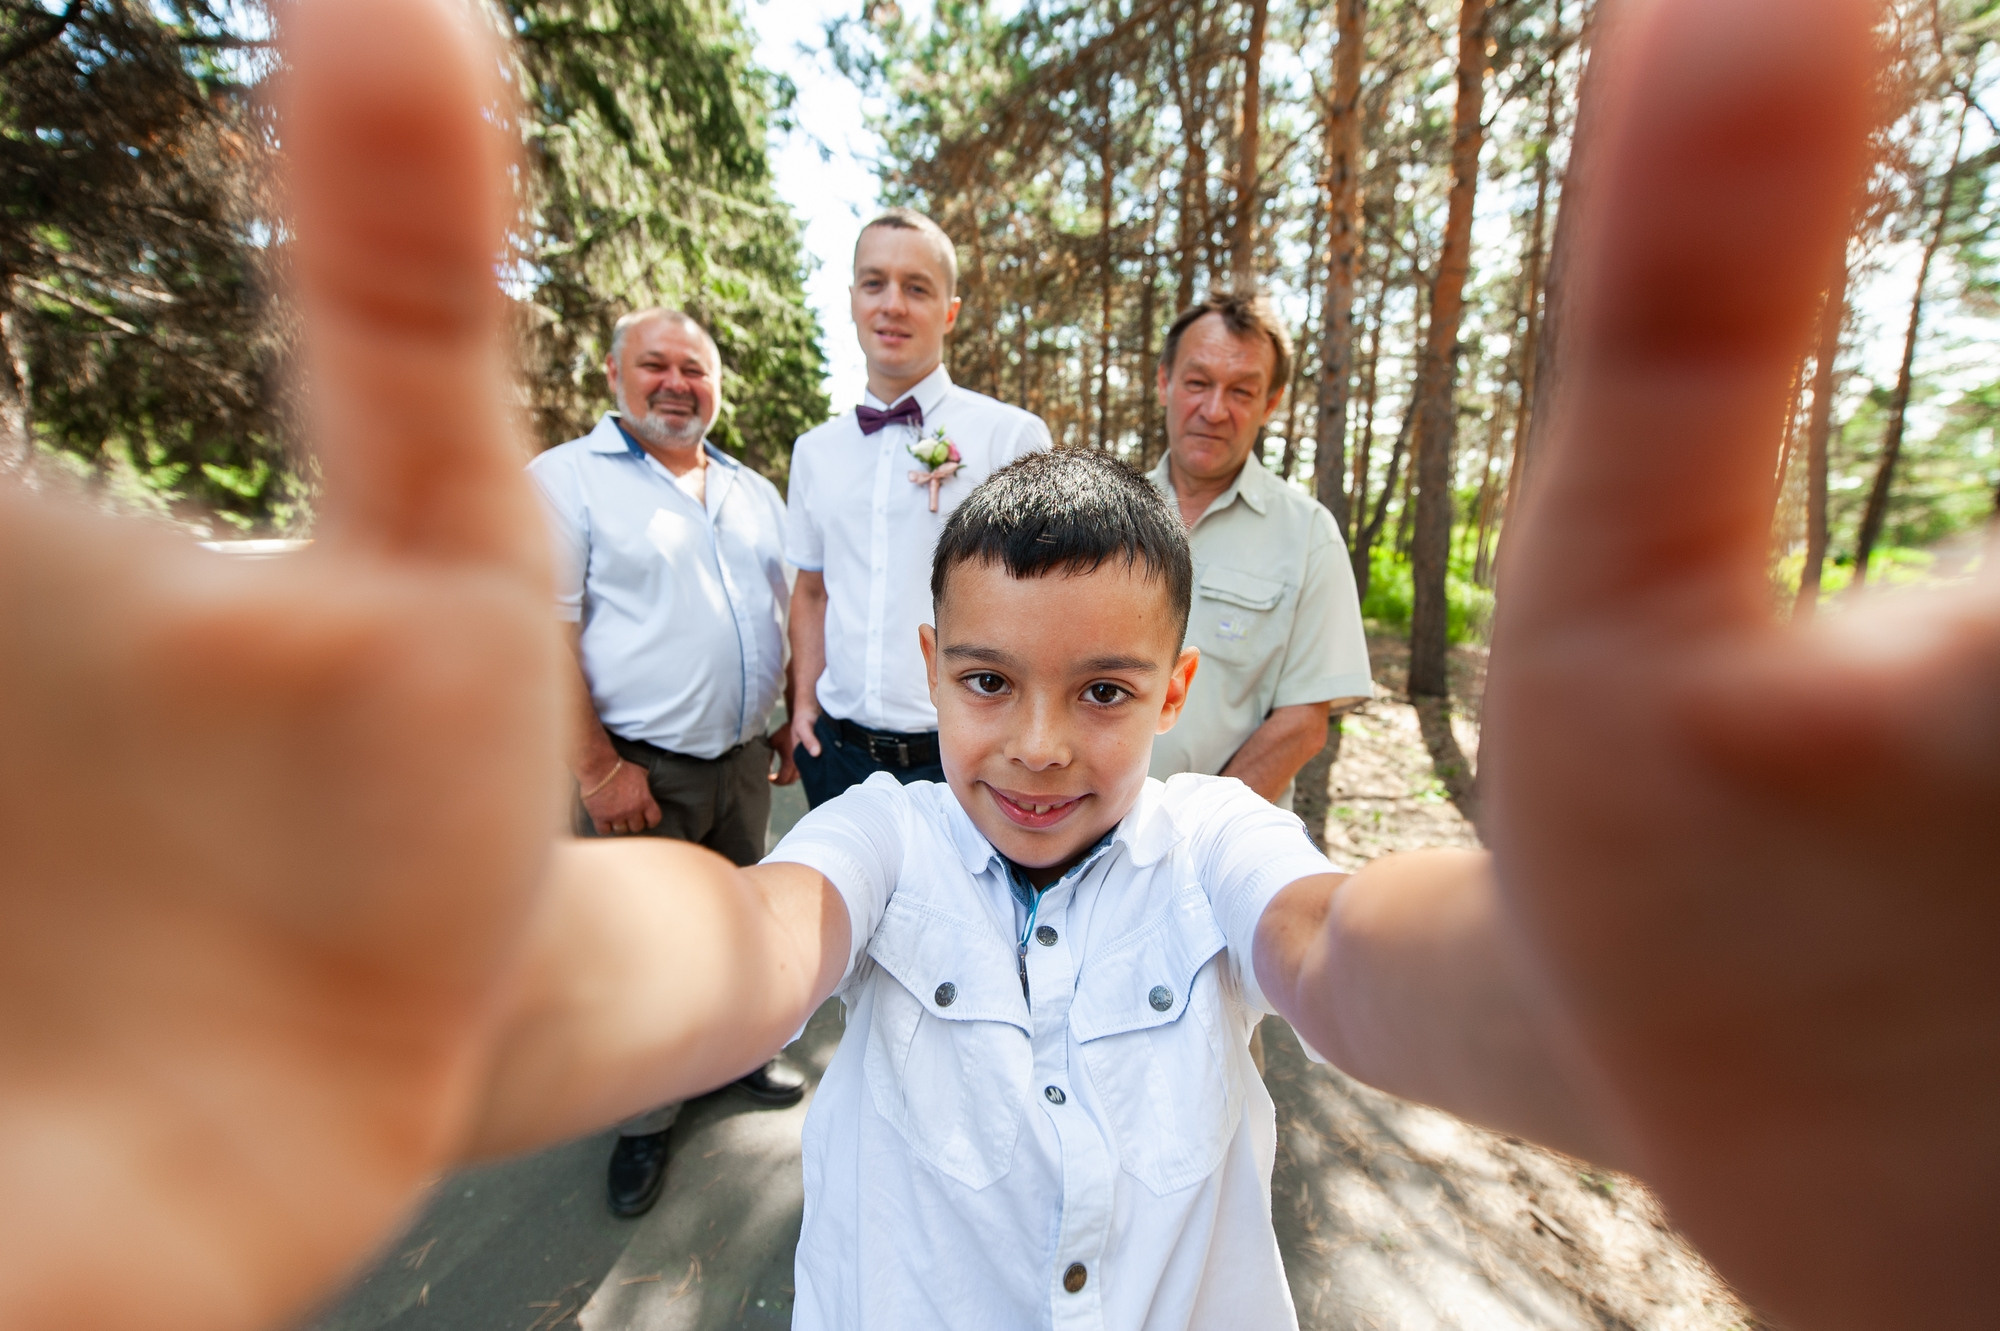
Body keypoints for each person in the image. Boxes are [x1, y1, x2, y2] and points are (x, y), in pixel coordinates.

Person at [4, 3, 1988, 1331]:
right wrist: (468, 972)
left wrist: (1596, 1000)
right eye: (983, 680)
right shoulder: (873, 833)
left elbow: (1355, 960)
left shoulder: (1218, 840)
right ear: (928, 670)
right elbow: (735, 942)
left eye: (1104, 688)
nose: (1035, 746)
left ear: (1175, 677)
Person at [526, 306, 805, 1220]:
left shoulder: (750, 490)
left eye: (697, 368)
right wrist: (598, 769)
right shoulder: (565, 483)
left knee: (736, 922)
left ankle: (729, 1057)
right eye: (657, 365)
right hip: (637, 770)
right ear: (615, 372)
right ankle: (644, 1117)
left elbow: (785, 610)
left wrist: (781, 708)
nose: (678, 383)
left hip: (736, 765)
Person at [784, 208, 1052, 808]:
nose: (893, 305)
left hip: (962, 760)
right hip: (836, 755)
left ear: (950, 310)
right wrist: (802, 704)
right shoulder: (815, 451)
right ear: (852, 298)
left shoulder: (1010, 438)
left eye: (917, 288)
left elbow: (1043, 603)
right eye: (875, 283)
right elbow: (810, 591)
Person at [1146, 291, 1372, 807]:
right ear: (1165, 382)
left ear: (1270, 403)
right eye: (1198, 383)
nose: (1214, 409)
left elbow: (1302, 724)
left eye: (1242, 392)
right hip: (1080, 843)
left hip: (1216, 860)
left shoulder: (1309, 534)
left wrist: (1192, 838)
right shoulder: (1105, 516)